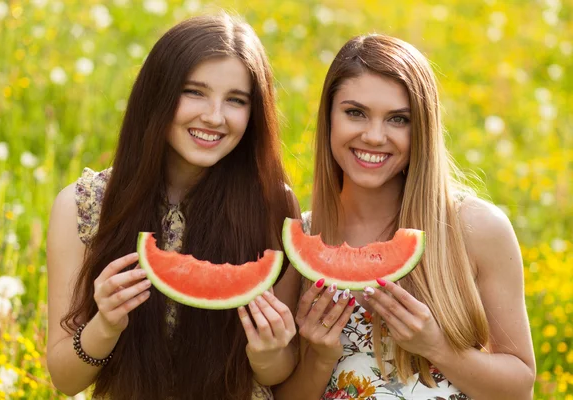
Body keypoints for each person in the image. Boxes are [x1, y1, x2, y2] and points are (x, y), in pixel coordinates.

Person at [46, 14, 302, 400]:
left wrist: (268, 350)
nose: (214, 117)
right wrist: (105, 326)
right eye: (194, 92)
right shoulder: (82, 205)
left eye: (236, 100)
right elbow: (65, 379)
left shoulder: (274, 204)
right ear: (158, 93)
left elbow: (276, 373)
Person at [273, 34, 536, 399]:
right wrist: (319, 357)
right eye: (355, 112)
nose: (375, 136)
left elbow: (520, 388)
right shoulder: (300, 239)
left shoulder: (476, 228)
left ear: (422, 131)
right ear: (328, 116)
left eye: (398, 119)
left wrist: (438, 348)